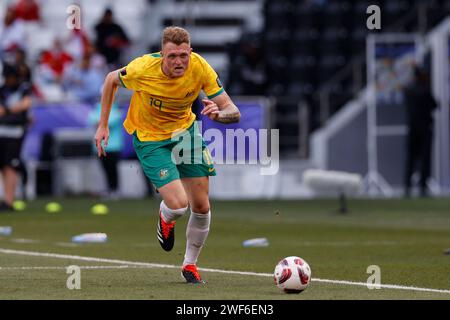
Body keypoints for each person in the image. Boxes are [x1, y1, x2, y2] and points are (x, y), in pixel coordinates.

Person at [94, 26, 241, 283]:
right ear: (161, 54)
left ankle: (190, 265)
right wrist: (103, 125)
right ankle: (165, 217)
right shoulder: (142, 68)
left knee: (202, 206)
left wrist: (219, 115)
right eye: (172, 56)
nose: (179, 62)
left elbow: (233, 111)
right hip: (150, 138)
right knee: (178, 204)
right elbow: (110, 80)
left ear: (190, 52)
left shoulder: (199, 67)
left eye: (183, 55)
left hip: (185, 134)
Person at [0, 64, 32, 211]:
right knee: (3, 166)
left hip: (15, 133)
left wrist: (7, 110)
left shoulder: (22, 88)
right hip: (2, 131)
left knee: (11, 165)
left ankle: (9, 201)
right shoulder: (2, 89)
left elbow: (26, 104)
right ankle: (5, 199)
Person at [403, 66, 437, 197]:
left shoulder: (408, 90)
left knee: (411, 159)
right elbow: (434, 105)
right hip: (424, 129)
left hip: (412, 128)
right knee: (424, 159)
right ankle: (423, 186)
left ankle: (407, 185)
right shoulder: (425, 90)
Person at [88, 101, 124, 199]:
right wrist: (102, 123)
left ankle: (115, 190)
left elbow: (109, 122)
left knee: (112, 169)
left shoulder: (116, 109)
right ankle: (109, 189)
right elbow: (91, 119)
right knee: (105, 169)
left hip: (113, 146)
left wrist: (100, 122)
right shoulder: (98, 108)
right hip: (100, 146)